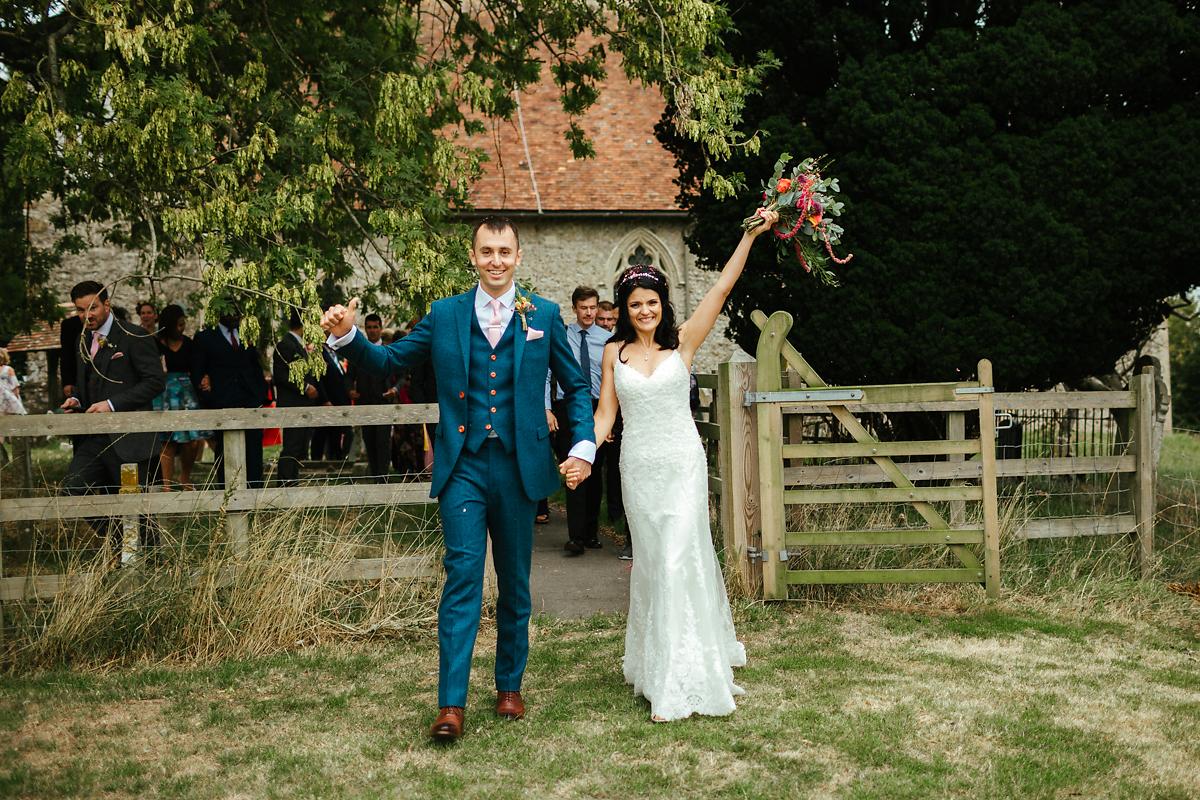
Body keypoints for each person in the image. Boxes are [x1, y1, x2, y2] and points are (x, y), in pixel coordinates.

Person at [320, 215, 595, 742]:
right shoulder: (445, 315)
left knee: (515, 582)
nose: (495, 260)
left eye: (504, 252)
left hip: (519, 468)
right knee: (463, 577)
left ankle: (509, 684)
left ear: (518, 257)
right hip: (462, 467)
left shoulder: (544, 313)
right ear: (473, 257)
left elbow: (576, 387)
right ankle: (451, 703)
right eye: (486, 251)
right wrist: (348, 337)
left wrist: (582, 447)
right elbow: (389, 359)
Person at [569, 207, 778, 722]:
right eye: (636, 304)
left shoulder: (683, 343)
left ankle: (682, 678)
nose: (645, 310)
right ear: (624, 308)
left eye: (653, 302)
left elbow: (722, 291)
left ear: (664, 305)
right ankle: (657, 661)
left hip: (683, 466)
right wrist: (583, 454)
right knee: (656, 565)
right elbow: (603, 417)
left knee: (679, 560)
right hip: (639, 470)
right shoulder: (612, 354)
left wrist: (749, 236)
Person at [60, 280, 166, 553]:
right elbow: (88, 386)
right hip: (93, 439)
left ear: (107, 304)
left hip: (129, 438)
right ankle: (118, 541)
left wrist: (111, 404)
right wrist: (78, 401)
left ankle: (155, 568)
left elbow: (155, 382)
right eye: (81, 311)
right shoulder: (82, 339)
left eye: (92, 308)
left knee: (139, 511)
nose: (87, 316)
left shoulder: (134, 336)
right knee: (73, 490)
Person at [552, 286, 611, 555]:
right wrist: (546, 408)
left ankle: (590, 531)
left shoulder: (609, 340)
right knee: (573, 465)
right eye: (583, 308)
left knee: (595, 470)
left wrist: (611, 419)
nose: (589, 313)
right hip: (568, 406)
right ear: (575, 308)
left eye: (593, 307)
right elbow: (547, 372)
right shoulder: (563, 337)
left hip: (599, 406)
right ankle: (575, 536)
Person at [192, 305, 267, 488]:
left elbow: (255, 366)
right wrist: (208, 396)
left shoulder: (247, 335)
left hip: (249, 400)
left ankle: (255, 490)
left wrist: (260, 394)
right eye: (229, 312)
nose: (234, 316)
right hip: (222, 401)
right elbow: (197, 372)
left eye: (236, 312)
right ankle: (228, 491)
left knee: (253, 448)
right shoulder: (205, 338)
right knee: (225, 450)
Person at [152, 304, 211, 490]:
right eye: (178, 325)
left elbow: (197, 369)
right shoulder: (155, 344)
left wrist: (205, 379)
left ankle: (185, 477)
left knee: (192, 440)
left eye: (183, 324)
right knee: (167, 440)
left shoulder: (190, 344)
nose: (181, 328)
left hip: (186, 394)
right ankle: (167, 483)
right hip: (164, 394)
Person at [272, 309, 323, 485]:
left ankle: (292, 481)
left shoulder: (296, 345)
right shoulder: (286, 345)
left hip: (300, 404)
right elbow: (281, 375)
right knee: (292, 446)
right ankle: (286, 483)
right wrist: (306, 387)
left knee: (298, 446)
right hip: (292, 403)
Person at [350, 313, 398, 480]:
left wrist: (395, 389)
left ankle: (383, 478)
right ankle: (375, 477)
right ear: (365, 329)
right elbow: (349, 377)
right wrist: (350, 389)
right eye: (369, 327)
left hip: (384, 402)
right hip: (365, 403)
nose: (372, 331)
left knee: (383, 442)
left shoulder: (389, 349)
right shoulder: (359, 351)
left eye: (375, 327)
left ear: (380, 328)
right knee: (369, 441)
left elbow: (402, 375)